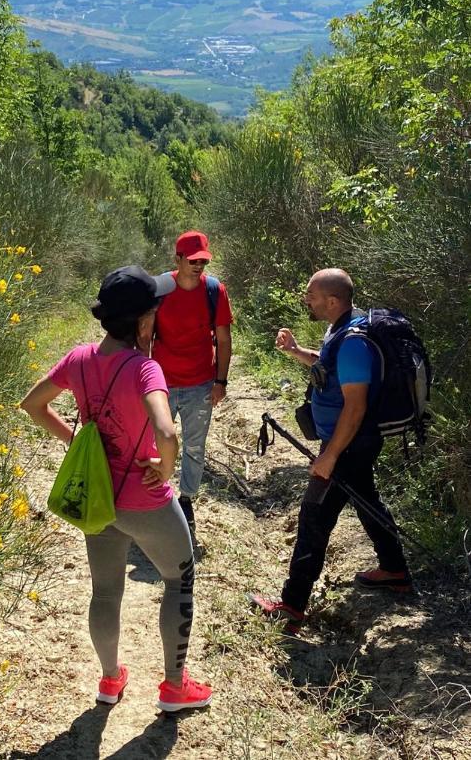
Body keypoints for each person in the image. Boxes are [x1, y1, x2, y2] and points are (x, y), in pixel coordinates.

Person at [21, 265, 212, 712]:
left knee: (105, 591)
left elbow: (33, 405)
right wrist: (165, 470)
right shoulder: (146, 369)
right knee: (178, 581)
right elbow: (166, 431)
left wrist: (75, 441)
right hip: (145, 501)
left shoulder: (79, 358)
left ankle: (109, 681)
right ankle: (174, 688)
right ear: (144, 322)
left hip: (99, 498)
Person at [250, 268, 411, 635]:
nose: (307, 299)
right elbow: (328, 366)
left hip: (348, 443)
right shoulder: (343, 327)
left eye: (312, 294)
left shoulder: (354, 342)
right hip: (351, 443)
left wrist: (330, 455)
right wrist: (296, 352)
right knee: (367, 500)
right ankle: (394, 569)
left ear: (333, 300)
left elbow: (355, 407)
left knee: (313, 518)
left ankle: (292, 606)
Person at [152, 231, 233, 537]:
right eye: (193, 260)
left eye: (203, 260)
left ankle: (186, 501)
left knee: (195, 447)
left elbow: (223, 339)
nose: (199, 265)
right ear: (179, 259)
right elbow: (145, 336)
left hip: (200, 383)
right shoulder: (160, 289)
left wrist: (220, 381)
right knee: (155, 442)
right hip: (161, 383)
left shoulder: (214, 290)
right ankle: (154, 499)